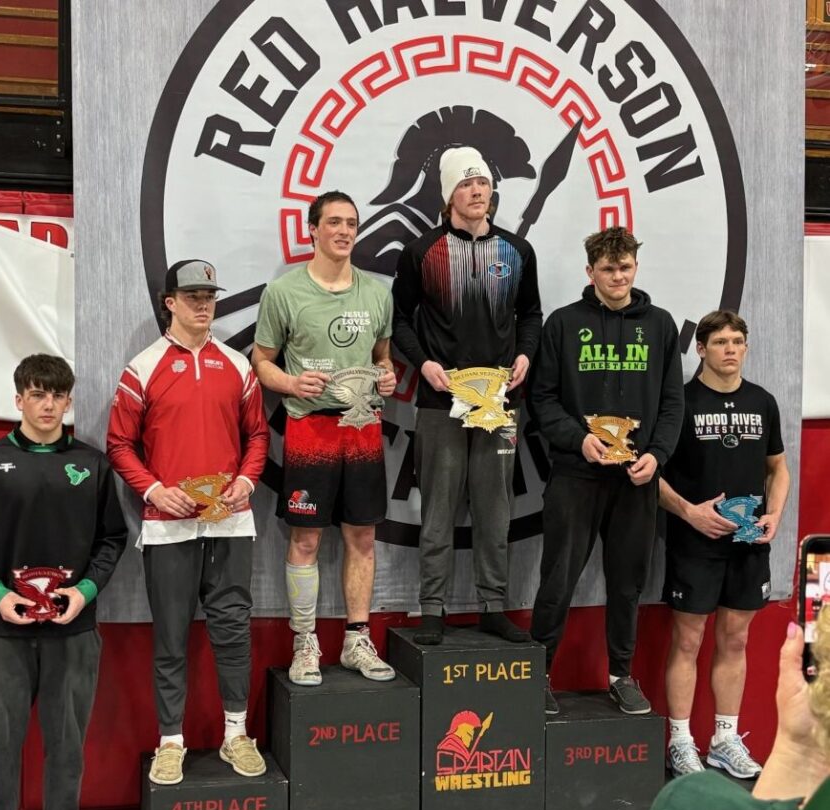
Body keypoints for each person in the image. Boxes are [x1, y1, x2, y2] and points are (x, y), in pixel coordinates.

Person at [107, 260, 269, 785]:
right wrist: (155, 489)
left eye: (209, 295)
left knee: (232, 632)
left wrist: (246, 480)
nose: (204, 304)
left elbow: (258, 437)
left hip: (229, 523)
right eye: (191, 295)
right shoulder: (142, 367)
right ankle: (170, 741)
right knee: (171, 638)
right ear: (169, 302)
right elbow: (119, 444)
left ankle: (236, 734)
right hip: (167, 525)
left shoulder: (237, 366)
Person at [0, 354, 127, 810]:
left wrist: (83, 592)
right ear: (18, 399)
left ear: (69, 400)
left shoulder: (91, 464)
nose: (49, 405)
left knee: (66, 743)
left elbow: (112, 540)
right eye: (38, 394)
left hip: (72, 631)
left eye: (58, 395)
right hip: (0, 632)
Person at [528, 226, 683, 715]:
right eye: (608, 268)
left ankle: (620, 674)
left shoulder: (660, 326)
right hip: (577, 473)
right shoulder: (563, 324)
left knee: (627, 583)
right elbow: (542, 400)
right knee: (557, 579)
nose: (618, 276)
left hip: (637, 478)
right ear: (589, 271)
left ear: (635, 267)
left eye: (625, 266)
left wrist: (657, 456)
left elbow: (673, 404)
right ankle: (538, 677)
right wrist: (579, 440)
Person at [391, 146, 542, 646]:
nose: (477, 191)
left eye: (483, 182)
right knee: (438, 508)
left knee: (494, 507)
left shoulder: (518, 252)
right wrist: (426, 365)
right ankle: (431, 606)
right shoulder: (421, 253)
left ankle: (492, 605)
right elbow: (400, 323)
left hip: (499, 404)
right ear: (448, 194)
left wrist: (524, 354)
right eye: (465, 184)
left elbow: (532, 315)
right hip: (441, 404)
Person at [252, 190, 396, 686]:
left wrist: (388, 376)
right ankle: (305, 641)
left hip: (362, 427)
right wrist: (291, 383)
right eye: (333, 222)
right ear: (311, 230)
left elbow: (382, 356)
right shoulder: (284, 292)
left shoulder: (377, 293)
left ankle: (357, 638)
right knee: (306, 539)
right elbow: (261, 361)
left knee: (362, 535)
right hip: (309, 426)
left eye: (351, 223)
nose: (343, 231)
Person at [659, 310, 790, 777]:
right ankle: (679, 741)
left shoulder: (763, 401)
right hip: (696, 543)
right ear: (701, 348)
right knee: (688, 640)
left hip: (750, 542)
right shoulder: (682, 402)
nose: (730, 349)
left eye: (737, 341)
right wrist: (690, 512)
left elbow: (778, 467)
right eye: (720, 342)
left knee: (735, 640)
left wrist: (774, 514)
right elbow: (650, 474)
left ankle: (724, 739)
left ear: (746, 347)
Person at [643, 611, 830, 810]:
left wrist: (795, 746)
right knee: (689, 638)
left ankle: (723, 737)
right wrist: (798, 745)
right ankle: (684, 740)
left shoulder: (685, 809)